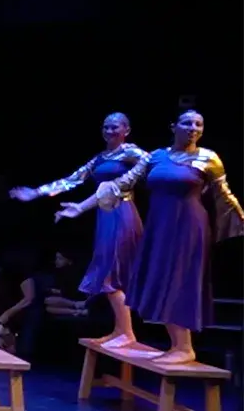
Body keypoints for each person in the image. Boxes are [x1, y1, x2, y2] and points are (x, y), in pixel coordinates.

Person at [57, 110, 243, 365]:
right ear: (173, 126)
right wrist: (81, 207)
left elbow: (226, 196)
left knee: (179, 281)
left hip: (189, 226)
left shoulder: (208, 158)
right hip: (160, 225)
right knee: (159, 279)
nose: (193, 128)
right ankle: (175, 344)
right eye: (187, 123)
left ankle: (184, 347)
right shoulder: (157, 157)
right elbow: (121, 183)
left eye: (198, 124)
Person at [11, 112, 147, 349]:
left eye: (115, 127)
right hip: (104, 215)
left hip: (121, 212)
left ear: (126, 130)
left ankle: (127, 332)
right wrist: (37, 192)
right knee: (108, 274)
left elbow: (153, 168)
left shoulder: (133, 153)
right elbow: (72, 180)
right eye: (105, 127)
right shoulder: (100, 158)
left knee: (111, 275)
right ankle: (121, 330)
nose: (109, 131)